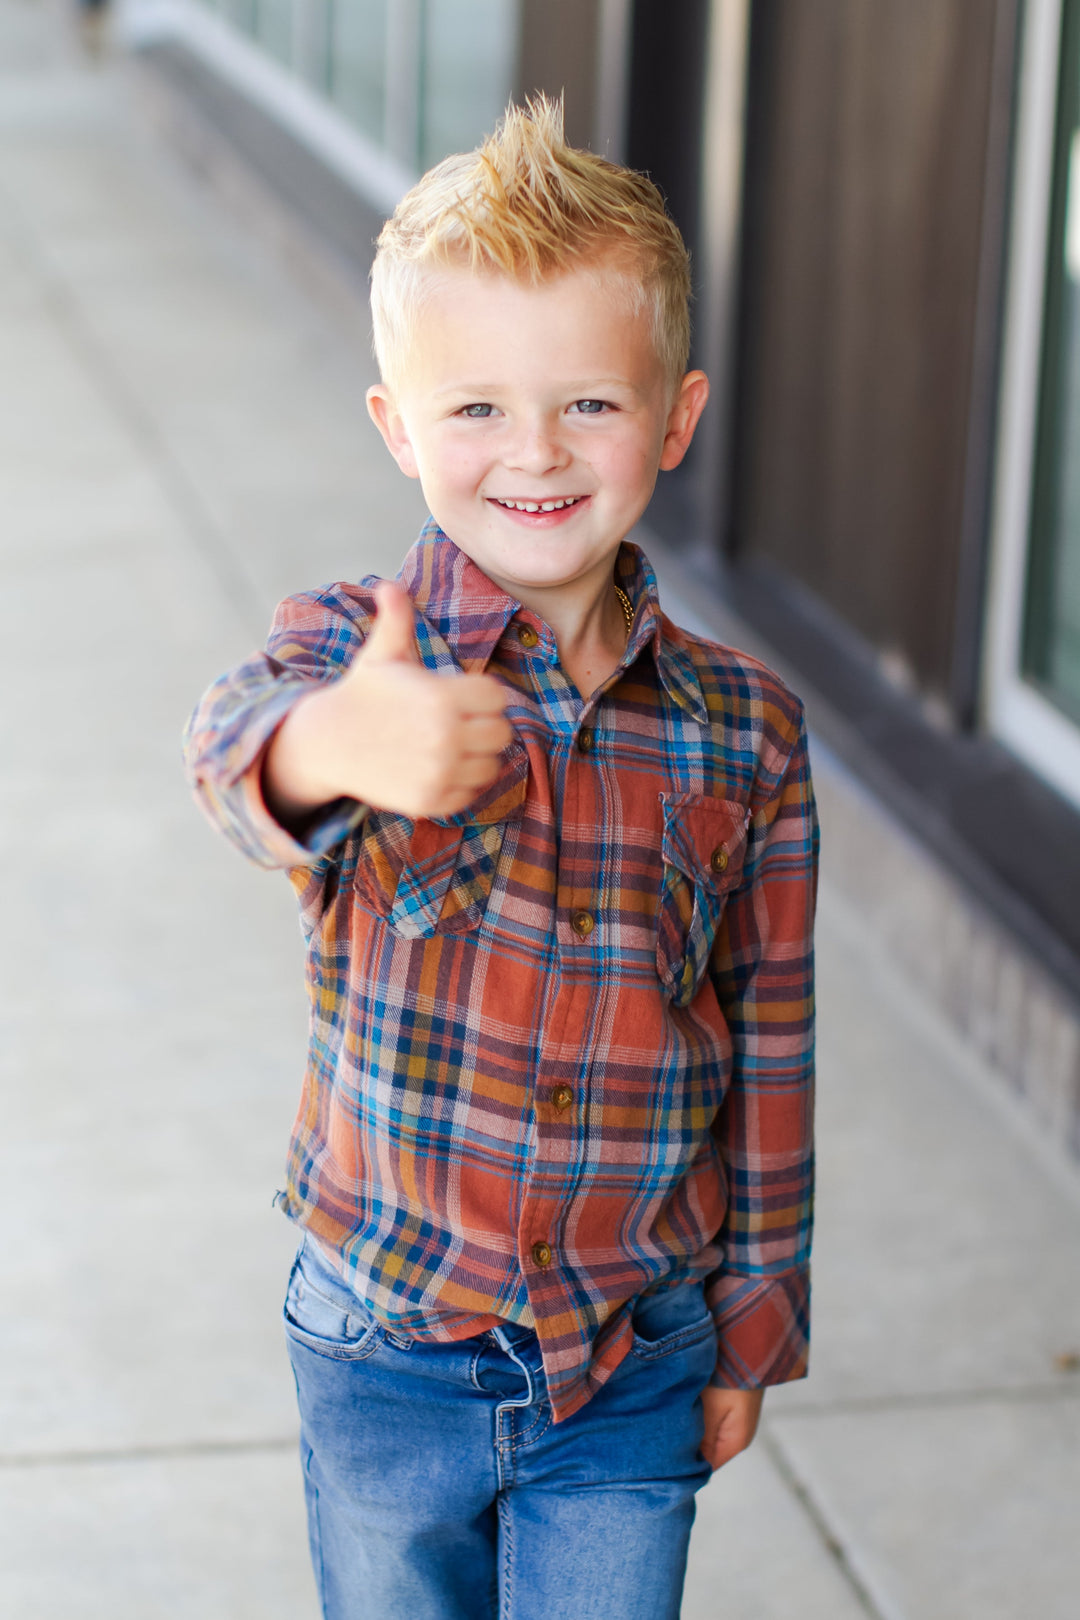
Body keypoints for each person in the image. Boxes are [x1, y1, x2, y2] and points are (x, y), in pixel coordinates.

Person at [183, 96, 817, 1620]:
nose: (534, 453)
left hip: (633, 1349)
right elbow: (233, 749)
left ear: (673, 417)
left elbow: (773, 1041)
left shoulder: (749, 730)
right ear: (400, 427)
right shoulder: (352, 656)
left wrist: (757, 1317)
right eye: (474, 409)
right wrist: (336, 747)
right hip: (383, 1346)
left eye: (590, 405)